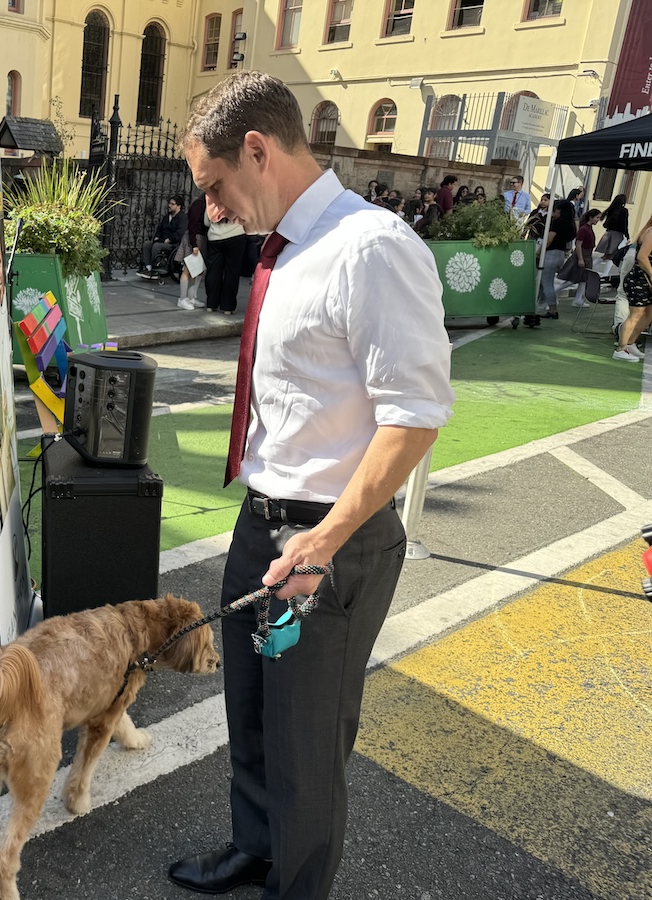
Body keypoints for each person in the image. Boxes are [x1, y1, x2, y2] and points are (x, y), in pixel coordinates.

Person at [172, 71, 453, 900]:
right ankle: (256, 850)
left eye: (215, 186)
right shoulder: (285, 251)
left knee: (307, 740)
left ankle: (295, 888)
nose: (212, 209)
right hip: (264, 529)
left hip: (329, 545)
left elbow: (415, 416)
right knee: (254, 712)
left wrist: (322, 541)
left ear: (256, 150)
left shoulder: (372, 248)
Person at [614, 210, 652, 361]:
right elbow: (642, 257)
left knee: (648, 315)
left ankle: (630, 343)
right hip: (639, 280)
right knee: (635, 315)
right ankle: (621, 348)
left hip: (644, 280)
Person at [204, 198, 248, 314]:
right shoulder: (238, 196)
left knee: (213, 271)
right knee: (231, 273)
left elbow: (206, 221)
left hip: (215, 237)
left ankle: (211, 304)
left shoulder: (212, 198)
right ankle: (227, 307)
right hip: (235, 235)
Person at [539, 199, 576, 318]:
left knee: (547, 283)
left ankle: (552, 309)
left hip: (551, 254)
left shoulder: (558, 223)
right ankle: (547, 306)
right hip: (560, 253)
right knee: (546, 282)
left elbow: (549, 240)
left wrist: (539, 252)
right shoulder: (570, 224)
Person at [140, 194, 188, 275]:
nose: (169, 206)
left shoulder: (182, 218)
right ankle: (148, 266)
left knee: (157, 246)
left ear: (179, 206)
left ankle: (155, 268)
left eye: (172, 204)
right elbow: (160, 228)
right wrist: (157, 236)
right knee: (147, 244)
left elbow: (180, 232)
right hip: (162, 240)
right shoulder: (167, 217)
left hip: (173, 243)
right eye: (169, 203)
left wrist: (170, 239)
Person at [176, 194, 207, 310]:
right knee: (187, 270)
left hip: (198, 238)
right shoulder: (198, 205)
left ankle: (190, 298)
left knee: (195, 270)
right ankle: (182, 298)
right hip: (193, 239)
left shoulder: (201, 205)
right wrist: (194, 244)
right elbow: (192, 225)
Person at [571, 207, 602, 308]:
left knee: (583, 279)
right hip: (583, 255)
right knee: (572, 279)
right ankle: (554, 292)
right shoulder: (584, 229)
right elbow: (578, 244)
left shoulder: (588, 228)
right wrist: (580, 258)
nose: (598, 220)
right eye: (597, 217)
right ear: (591, 217)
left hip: (587, 255)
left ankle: (578, 299)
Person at [596, 194, 629, 262]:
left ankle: (593, 266)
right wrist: (626, 234)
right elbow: (624, 223)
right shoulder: (623, 211)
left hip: (609, 233)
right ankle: (605, 272)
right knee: (612, 255)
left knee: (607, 255)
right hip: (617, 235)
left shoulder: (611, 209)